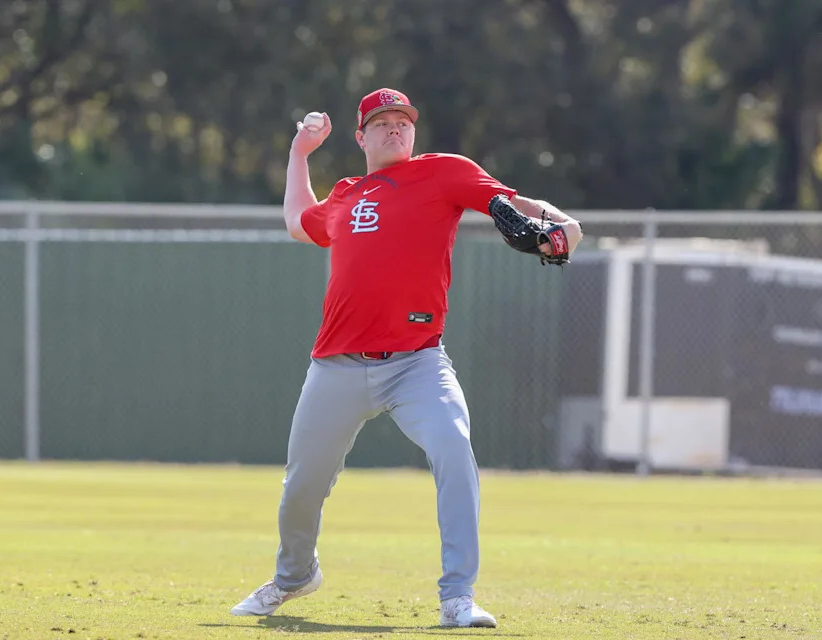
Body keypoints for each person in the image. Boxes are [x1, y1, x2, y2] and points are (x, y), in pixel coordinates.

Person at [230, 88, 582, 628]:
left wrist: (563, 222)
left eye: (402, 121)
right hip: (336, 366)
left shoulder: (442, 171)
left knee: (453, 448)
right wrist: (300, 154)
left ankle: (458, 596)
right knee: (301, 487)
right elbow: (300, 223)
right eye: (381, 122)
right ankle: (294, 577)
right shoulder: (347, 193)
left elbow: (511, 203)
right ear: (360, 136)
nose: (394, 128)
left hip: (416, 363)